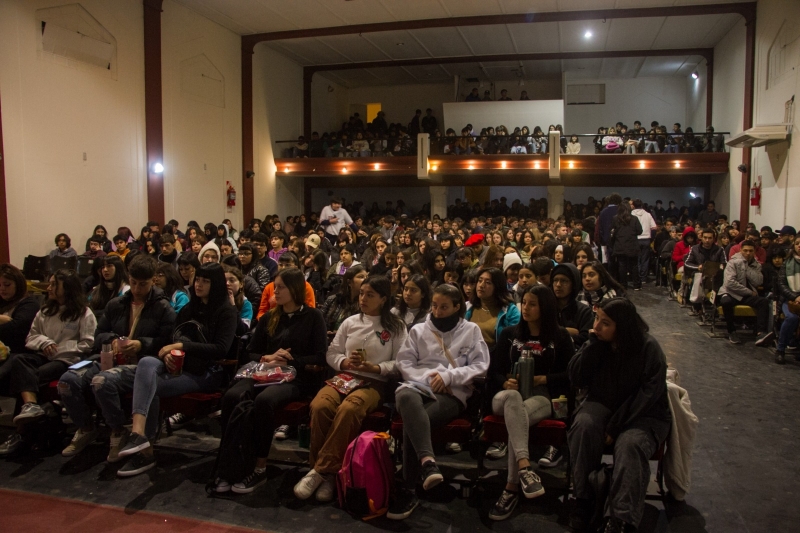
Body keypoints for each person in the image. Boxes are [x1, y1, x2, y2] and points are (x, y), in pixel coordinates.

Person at [115, 263, 236, 475]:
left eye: (205, 281)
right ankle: (138, 434)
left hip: (207, 371)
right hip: (180, 365)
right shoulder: (190, 308)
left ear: (215, 284)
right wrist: (168, 354)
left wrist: (181, 347)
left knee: (150, 385)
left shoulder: (226, 311)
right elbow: (173, 337)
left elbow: (220, 349)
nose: (198, 284)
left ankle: (146, 454)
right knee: (146, 363)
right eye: (197, 279)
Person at [294, 276, 407, 502]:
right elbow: (332, 353)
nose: (363, 298)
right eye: (362, 293)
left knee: (349, 409)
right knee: (320, 405)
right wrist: (345, 363)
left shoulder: (396, 326)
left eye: (370, 295)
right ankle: (329, 475)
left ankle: (319, 470)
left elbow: (401, 362)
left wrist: (375, 367)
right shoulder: (350, 322)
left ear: (384, 299)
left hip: (374, 381)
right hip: (345, 376)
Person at [215, 268, 327, 494]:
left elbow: (320, 355)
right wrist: (268, 357)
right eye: (275, 286)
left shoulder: (313, 317)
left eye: (281, 287)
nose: (275, 291)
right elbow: (250, 352)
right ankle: (229, 464)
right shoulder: (270, 316)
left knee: (264, 401)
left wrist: (291, 359)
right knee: (232, 395)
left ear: (295, 289)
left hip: (296, 378)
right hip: (266, 371)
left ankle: (259, 467)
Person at [57, 255, 175, 461]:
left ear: (153, 280)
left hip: (141, 365)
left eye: (143, 284)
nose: (137, 289)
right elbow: (98, 334)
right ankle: (85, 427)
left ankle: (118, 431)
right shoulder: (116, 304)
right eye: (134, 283)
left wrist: (141, 344)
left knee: (102, 382)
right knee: (68, 380)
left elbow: (167, 340)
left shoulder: (163, 307)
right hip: (109, 359)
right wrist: (111, 341)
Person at [567, 298, 671, 533]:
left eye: (605, 323)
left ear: (622, 326)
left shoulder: (648, 347)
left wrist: (616, 426)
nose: (597, 326)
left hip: (645, 413)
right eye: (597, 319)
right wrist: (592, 345)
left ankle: (621, 518)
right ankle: (583, 500)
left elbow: (648, 394)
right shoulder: (598, 342)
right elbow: (575, 377)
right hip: (603, 403)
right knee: (584, 425)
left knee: (630, 444)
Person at [387, 283, 489, 520]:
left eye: (444, 307)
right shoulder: (419, 330)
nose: (438, 311)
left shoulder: (471, 330)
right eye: (434, 305)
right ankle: (428, 464)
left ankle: (409, 488)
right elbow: (405, 363)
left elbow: (480, 366)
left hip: (452, 393)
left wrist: (448, 376)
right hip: (419, 386)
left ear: (457, 307)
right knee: (404, 394)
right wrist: (430, 378)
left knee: (415, 422)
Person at [486, 285, 575, 521]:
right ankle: (525, 469)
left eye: (532, 304)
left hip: (542, 395)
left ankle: (512, 487)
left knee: (519, 417)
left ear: (545, 307)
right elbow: (493, 371)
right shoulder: (509, 334)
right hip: (506, 396)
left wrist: (543, 378)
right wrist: (505, 383)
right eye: (523, 302)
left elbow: (570, 374)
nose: (525, 308)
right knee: (514, 400)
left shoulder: (560, 336)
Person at [0, 269, 96, 455]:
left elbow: (87, 344)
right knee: (20, 360)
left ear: (66, 288)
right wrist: (45, 342)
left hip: (67, 359)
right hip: (43, 354)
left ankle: (24, 433)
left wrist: (59, 347)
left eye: (54, 285)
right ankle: (31, 407)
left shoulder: (84, 313)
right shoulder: (45, 310)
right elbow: (31, 337)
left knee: (29, 377)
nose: (49, 288)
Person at [718, 240, 771, 346]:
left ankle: (760, 332)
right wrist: (749, 292)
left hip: (746, 295)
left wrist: (747, 268)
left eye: (750, 251)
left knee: (763, 302)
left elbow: (758, 281)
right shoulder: (732, 262)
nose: (748, 253)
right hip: (731, 292)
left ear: (754, 252)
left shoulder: (756, 264)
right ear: (741, 250)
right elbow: (730, 283)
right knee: (726, 302)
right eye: (745, 250)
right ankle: (732, 331)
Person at [256, 252, 316, 319]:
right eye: (280, 265)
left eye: (287, 265)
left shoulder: (305, 286)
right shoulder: (269, 287)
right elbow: (262, 311)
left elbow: (310, 311)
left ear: (296, 267)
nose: (283, 268)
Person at [0, 264, 40, 356]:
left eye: (7, 285)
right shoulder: (2, 301)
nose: (2, 289)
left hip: (17, 354)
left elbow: (16, 328)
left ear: (18, 284)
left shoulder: (30, 304)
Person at [550, 263, 593, 347]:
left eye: (564, 281)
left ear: (573, 284)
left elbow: (585, 339)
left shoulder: (584, 311)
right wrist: (566, 332)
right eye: (555, 280)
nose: (558, 285)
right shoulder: (547, 308)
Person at [319, 265, 368, 334]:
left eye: (367, 277)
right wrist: (325, 332)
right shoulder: (333, 299)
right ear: (349, 282)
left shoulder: (366, 303)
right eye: (361, 277)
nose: (366, 280)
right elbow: (319, 323)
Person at [775, 237, 800, 364]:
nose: (799, 246)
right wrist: (795, 297)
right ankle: (780, 349)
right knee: (792, 318)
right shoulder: (787, 263)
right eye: (797, 243)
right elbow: (782, 285)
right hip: (788, 299)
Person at [610, 203, 643, 290]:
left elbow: (613, 231)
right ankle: (636, 285)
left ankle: (624, 285)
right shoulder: (634, 219)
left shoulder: (615, 218)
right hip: (632, 244)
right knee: (634, 265)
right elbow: (640, 231)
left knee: (622, 265)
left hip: (620, 244)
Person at [631, 199, 657, 282]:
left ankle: (636, 277)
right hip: (646, 239)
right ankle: (643, 278)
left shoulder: (631, 214)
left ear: (633, 205)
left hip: (635, 239)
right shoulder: (647, 214)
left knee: (636, 259)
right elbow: (654, 227)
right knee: (645, 260)